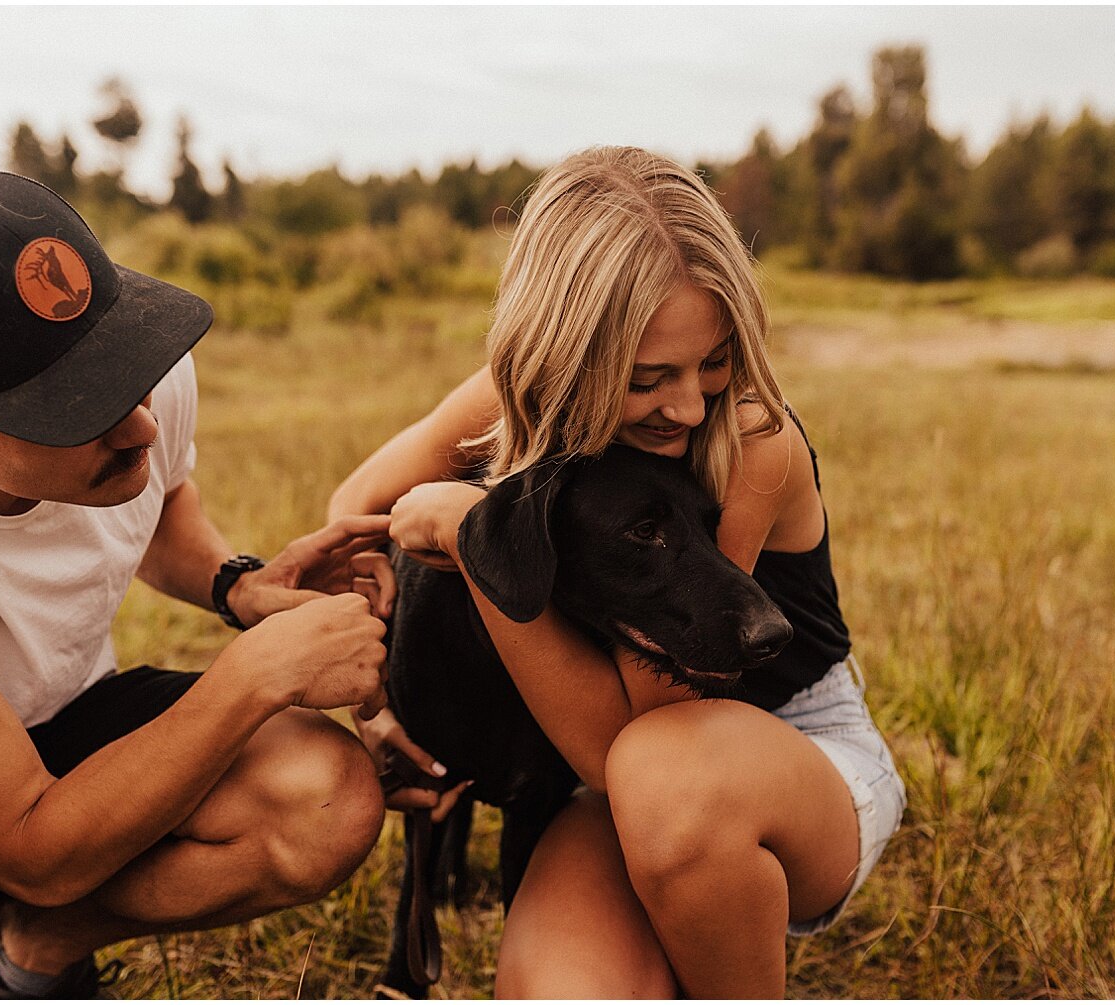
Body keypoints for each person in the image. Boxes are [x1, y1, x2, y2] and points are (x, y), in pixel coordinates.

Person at [329, 146, 907, 998]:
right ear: (567, 358)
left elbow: (626, 746)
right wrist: (376, 700)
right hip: (612, 797)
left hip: (778, 759)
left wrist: (471, 537)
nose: (687, 405)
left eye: (713, 361)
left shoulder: (750, 437)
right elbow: (352, 508)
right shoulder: (512, 396)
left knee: (665, 780)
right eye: (647, 379)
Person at [0, 171, 393, 999]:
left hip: (57, 720)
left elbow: (160, 507)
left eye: (122, 367)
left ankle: (18, 951)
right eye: (73, 408)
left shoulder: (146, 382)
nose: (141, 426)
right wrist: (255, 675)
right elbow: (26, 845)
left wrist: (237, 586)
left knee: (321, 801)